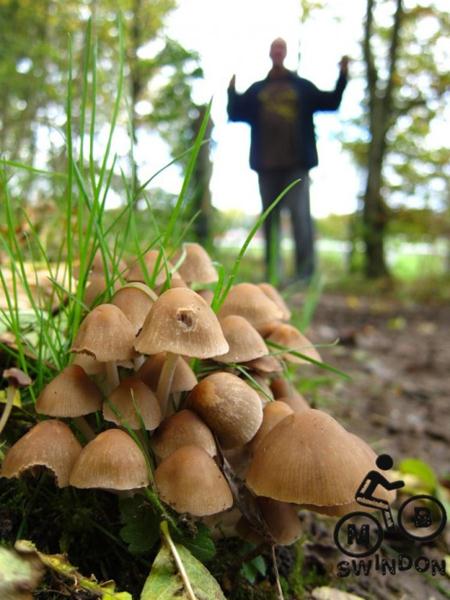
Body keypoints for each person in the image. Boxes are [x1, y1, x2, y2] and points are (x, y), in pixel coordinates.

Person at [227, 38, 349, 284]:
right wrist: (231, 90)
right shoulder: (258, 89)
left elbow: (331, 102)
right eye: (274, 48)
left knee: (300, 218)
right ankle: (273, 275)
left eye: (281, 48)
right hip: (266, 165)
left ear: (286, 53)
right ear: (270, 53)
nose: (278, 52)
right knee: (269, 221)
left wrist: (343, 77)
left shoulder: (301, 87)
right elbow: (235, 112)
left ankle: (306, 274)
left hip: (296, 165)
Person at [355, 454, 405, 530]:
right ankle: (390, 527)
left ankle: (389, 527)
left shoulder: (374, 472)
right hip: (362, 497)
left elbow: (387, 486)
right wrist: (399, 484)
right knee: (385, 505)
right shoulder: (375, 474)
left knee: (384, 505)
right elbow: (388, 486)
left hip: (363, 496)